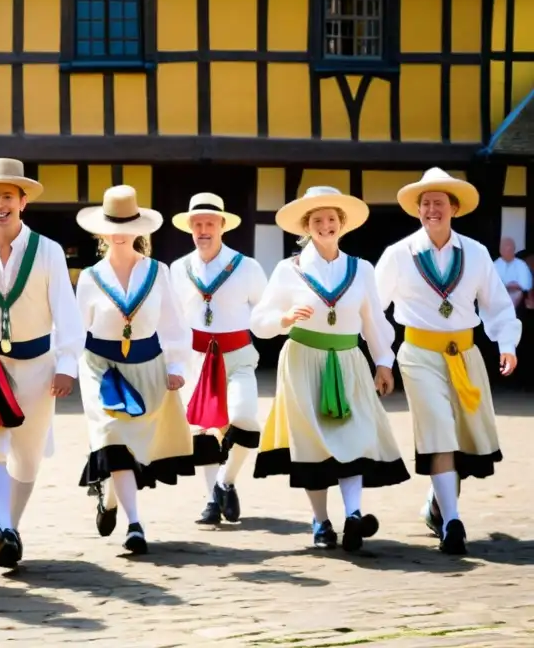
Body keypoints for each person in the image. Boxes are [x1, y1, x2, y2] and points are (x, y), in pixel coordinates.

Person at [252, 186, 409, 552]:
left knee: (354, 434)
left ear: (343, 225)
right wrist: (285, 318)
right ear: (307, 226)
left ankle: (353, 515)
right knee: (315, 443)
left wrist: (383, 362)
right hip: (303, 361)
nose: (326, 225)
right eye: (318, 220)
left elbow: (374, 320)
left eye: (332, 219)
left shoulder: (361, 269)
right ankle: (321, 521)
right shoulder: (287, 270)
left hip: (349, 361)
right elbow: (259, 321)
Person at [376, 168, 520, 555]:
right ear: (418, 210)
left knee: (463, 439)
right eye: (425, 204)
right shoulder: (398, 254)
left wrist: (507, 343)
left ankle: (437, 505)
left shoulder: (474, 253)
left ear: (454, 208)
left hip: (466, 355)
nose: (431, 209)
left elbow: (497, 304)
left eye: (439, 203)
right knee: (438, 428)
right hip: (418, 354)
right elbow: (373, 310)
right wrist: (381, 360)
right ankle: (453, 523)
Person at [0, 159, 83, 568]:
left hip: (37, 366)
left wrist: (67, 365)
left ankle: (7, 523)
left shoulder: (47, 252)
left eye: (8, 196)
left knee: (26, 456)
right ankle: (4, 527)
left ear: (23, 202)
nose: (0, 204)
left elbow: (67, 312)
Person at [74, 185, 195, 555]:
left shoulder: (158, 272)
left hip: (147, 366)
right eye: (113, 225)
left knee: (136, 449)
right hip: (101, 367)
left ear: (139, 229)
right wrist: (62, 369)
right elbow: (77, 329)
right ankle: (135, 525)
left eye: (127, 225)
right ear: (102, 231)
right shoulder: (91, 277)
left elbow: (175, 324)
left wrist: (176, 365)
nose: (120, 233)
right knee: (112, 437)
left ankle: (109, 498)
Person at [169, 192, 268, 526]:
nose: (203, 229)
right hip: (197, 359)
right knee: (204, 430)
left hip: (238, 356)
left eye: (210, 223)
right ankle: (212, 498)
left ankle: (226, 482)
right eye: (197, 224)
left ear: (222, 225)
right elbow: (172, 321)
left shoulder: (247, 267)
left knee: (244, 419)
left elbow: (264, 310)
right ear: (190, 228)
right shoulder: (179, 269)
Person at [493, 237, 531, 311]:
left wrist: (510, 286)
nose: (507, 252)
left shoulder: (521, 265)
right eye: (505, 249)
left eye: (510, 249)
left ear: (513, 250)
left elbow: (526, 284)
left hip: (515, 293)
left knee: (517, 293)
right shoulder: (495, 264)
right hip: (499, 292)